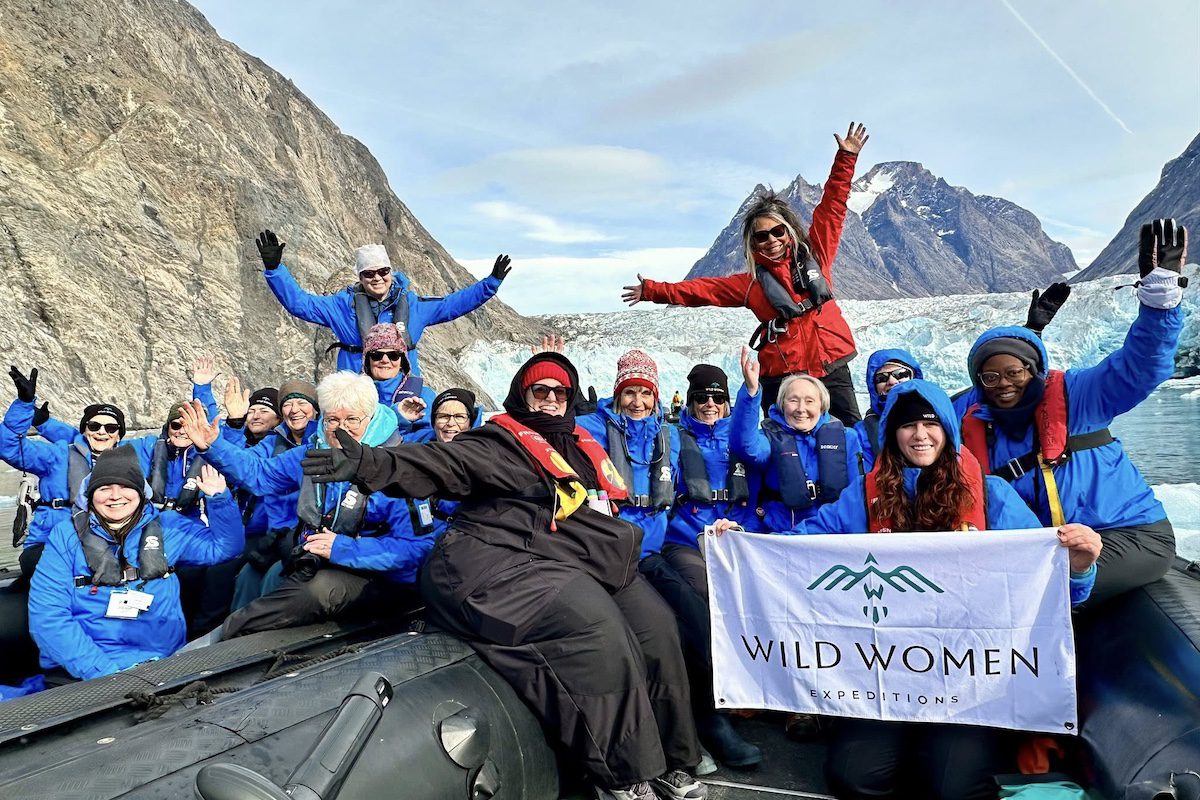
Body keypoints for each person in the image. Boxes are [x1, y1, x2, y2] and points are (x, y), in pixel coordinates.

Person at [299, 352, 707, 800]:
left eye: (560, 392)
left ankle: (674, 757)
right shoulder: (501, 442)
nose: (551, 400)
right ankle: (625, 774)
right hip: (497, 558)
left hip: (571, 554)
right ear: (522, 396)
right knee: (595, 629)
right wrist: (370, 465)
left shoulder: (582, 446)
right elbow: (444, 463)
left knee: (657, 628)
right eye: (540, 391)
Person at [714, 380, 1101, 799]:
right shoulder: (862, 498)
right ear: (892, 435)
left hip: (966, 677)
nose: (920, 435)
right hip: (886, 671)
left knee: (953, 786)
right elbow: (804, 550)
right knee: (855, 777)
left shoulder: (991, 496)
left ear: (948, 431)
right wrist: (743, 544)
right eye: (908, 425)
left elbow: (1045, 581)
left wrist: (1078, 566)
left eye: (930, 425)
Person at [959, 218, 1187, 606]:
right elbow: (917, 414)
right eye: (991, 376)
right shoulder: (974, 411)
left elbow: (1141, 365)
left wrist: (1159, 301)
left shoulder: (1079, 394)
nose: (1003, 384)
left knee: (1033, 591)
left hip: (1126, 533)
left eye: (1015, 372)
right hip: (1051, 541)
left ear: (1035, 371)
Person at [622, 123, 869, 426]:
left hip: (829, 366)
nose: (772, 240)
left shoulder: (815, 256)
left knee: (851, 438)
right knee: (780, 447)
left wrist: (846, 159)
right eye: (761, 236)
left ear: (789, 231)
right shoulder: (750, 285)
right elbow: (700, 291)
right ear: (752, 244)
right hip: (782, 374)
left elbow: (832, 209)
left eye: (777, 231)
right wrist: (650, 290)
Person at [178, 372, 435, 638]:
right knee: (257, 576)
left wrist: (344, 548)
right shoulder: (315, 454)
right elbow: (259, 474)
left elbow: (419, 548)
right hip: (319, 559)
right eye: (332, 420)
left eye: (352, 420)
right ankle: (220, 642)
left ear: (371, 418)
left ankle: (227, 641)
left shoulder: (397, 468)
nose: (341, 429)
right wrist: (212, 445)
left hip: (380, 577)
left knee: (309, 592)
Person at [28, 447, 244, 682]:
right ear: (90, 495)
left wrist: (220, 500)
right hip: (90, 667)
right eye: (104, 488)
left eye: (126, 487)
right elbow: (47, 616)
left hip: (163, 662)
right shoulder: (65, 536)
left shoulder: (169, 527)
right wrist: (105, 675)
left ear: (141, 492)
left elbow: (225, 549)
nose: (115, 496)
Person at [658, 364, 762, 769]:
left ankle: (759, 698)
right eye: (702, 397)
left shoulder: (744, 439)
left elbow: (760, 491)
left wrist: (742, 527)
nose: (710, 406)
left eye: (718, 398)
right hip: (687, 542)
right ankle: (711, 717)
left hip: (736, 537)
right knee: (705, 605)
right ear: (690, 399)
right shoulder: (672, 438)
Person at [255, 229, 510, 375]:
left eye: (383, 272)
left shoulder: (412, 304)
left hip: (401, 388)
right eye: (369, 273)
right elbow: (300, 304)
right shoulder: (341, 306)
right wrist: (275, 269)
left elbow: (454, 305)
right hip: (356, 387)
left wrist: (490, 283)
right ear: (360, 277)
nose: (377, 278)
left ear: (390, 271)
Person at [731, 346, 862, 532]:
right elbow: (745, 446)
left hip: (830, 536)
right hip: (780, 536)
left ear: (822, 406)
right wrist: (751, 393)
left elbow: (856, 493)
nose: (801, 409)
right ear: (782, 405)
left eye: (809, 401)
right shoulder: (769, 438)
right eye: (793, 400)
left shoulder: (847, 438)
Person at [360, 322, 436, 436]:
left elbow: (426, 437)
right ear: (367, 361)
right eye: (377, 355)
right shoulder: (351, 393)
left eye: (393, 355)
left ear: (402, 361)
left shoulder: (423, 395)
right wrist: (397, 416)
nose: (385, 360)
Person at [856, 349, 923, 469]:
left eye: (901, 374)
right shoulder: (862, 432)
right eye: (881, 378)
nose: (891, 381)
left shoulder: (938, 417)